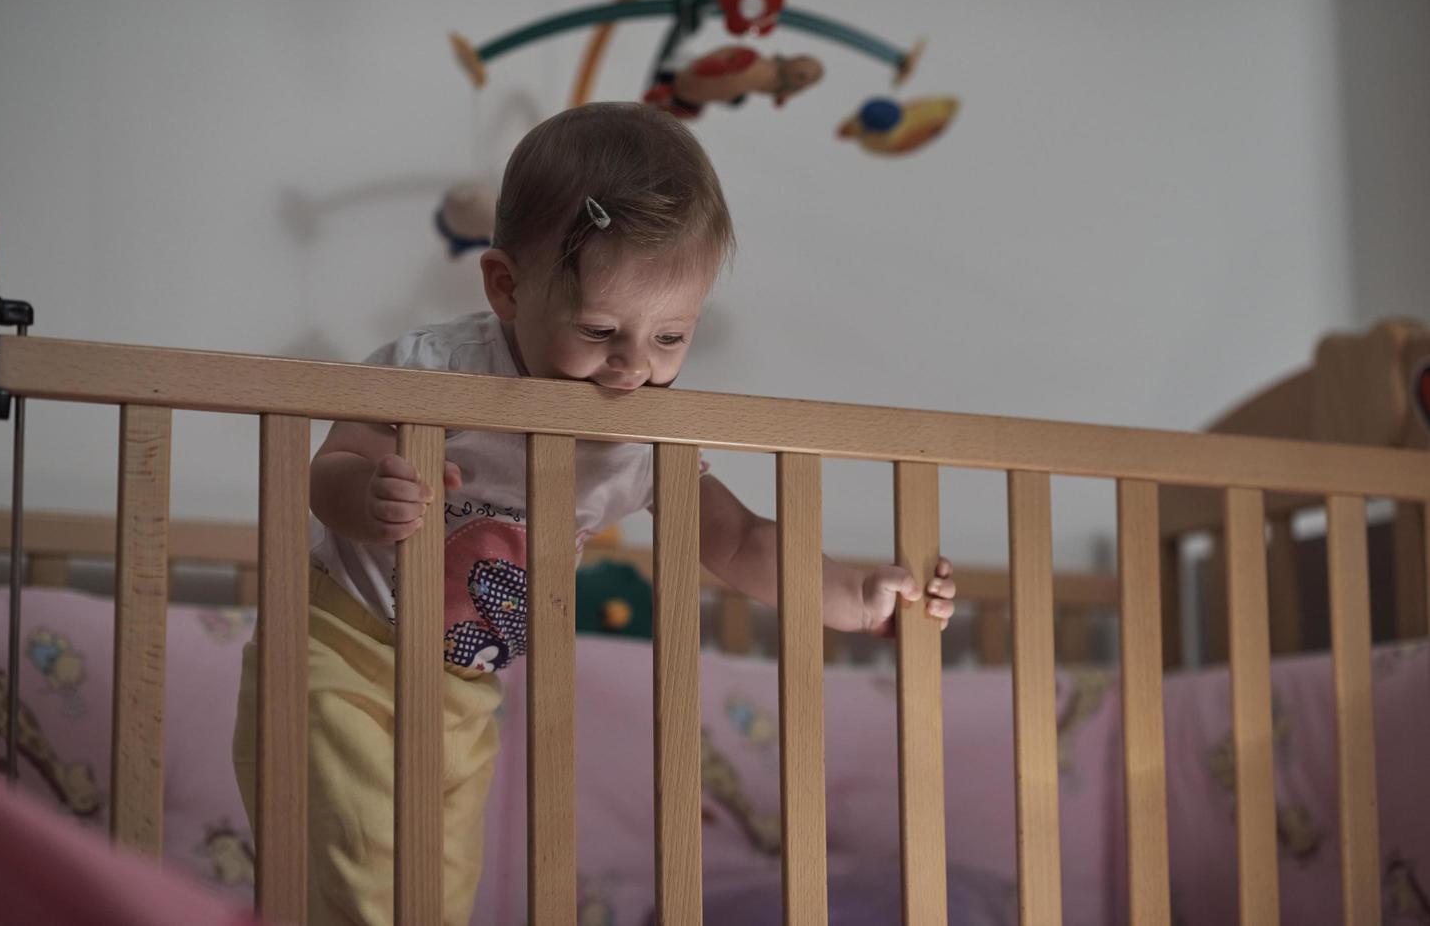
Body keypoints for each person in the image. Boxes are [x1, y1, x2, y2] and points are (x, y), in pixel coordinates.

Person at [232, 101, 956, 926]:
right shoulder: (436, 372)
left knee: (433, 891)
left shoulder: (637, 438)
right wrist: (365, 494)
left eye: (671, 338)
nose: (631, 368)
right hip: (339, 652)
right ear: (506, 287)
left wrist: (855, 601)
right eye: (602, 329)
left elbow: (737, 538)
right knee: (358, 873)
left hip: (464, 695)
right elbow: (333, 464)